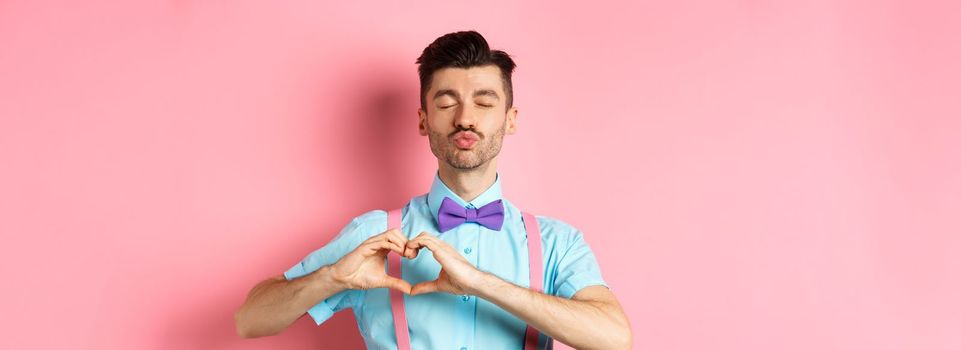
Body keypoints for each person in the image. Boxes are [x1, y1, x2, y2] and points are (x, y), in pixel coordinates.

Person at [234, 30, 632, 350]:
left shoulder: (556, 242)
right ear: (423, 121)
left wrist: (480, 282)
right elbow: (250, 321)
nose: (465, 119)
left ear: (510, 120)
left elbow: (615, 339)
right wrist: (333, 278)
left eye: (484, 102)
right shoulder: (371, 235)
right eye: (447, 103)